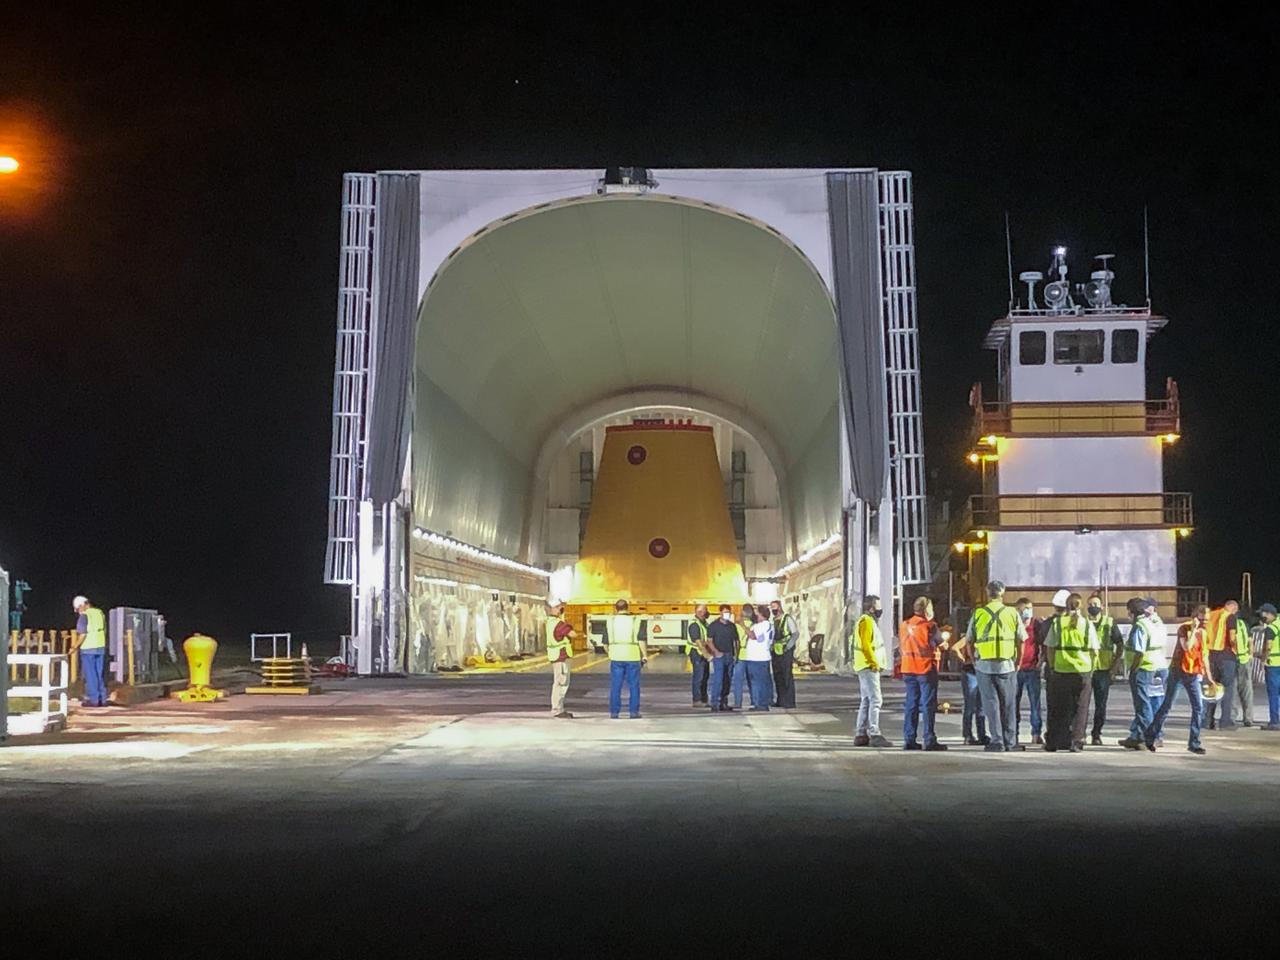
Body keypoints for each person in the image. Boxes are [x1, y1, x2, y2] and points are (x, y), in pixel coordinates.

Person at [954, 580, 1025, 752]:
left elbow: (969, 640)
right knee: (1009, 705)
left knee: (991, 705)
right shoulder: (1012, 613)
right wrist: (1018, 661)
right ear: (1003, 593)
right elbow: (1021, 640)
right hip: (1007, 665)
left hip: (984, 666)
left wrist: (974, 660)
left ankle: (997, 741)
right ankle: (1010, 742)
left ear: (987, 593)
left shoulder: (979, 614)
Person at [1148, 605, 1212, 754]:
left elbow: (1204, 656)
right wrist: (1194, 630)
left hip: (1193, 673)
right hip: (1178, 670)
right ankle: (1151, 736)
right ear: (1195, 618)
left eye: (1207, 620)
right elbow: (1187, 647)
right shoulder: (1184, 629)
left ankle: (1194, 742)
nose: (1205, 623)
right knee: (1167, 705)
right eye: (1203, 620)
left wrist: (1209, 677)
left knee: (1198, 707)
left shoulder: (1204, 633)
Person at [1042, 591, 1099, 752]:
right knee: (1081, 708)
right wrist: (1092, 668)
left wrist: (1052, 666)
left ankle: (1054, 741)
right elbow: (1094, 650)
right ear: (1081, 606)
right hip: (1082, 670)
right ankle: (1077, 741)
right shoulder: (1087, 624)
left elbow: (1050, 648)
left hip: (1061, 670)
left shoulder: (1058, 623)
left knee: (1058, 707)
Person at [899, 596, 948, 751]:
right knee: (928, 705)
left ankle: (909, 739)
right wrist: (945, 643)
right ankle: (929, 739)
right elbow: (941, 644)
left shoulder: (905, 625)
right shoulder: (930, 626)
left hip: (908, 668)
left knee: (911, 704)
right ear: (927, 609)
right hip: (925, 669)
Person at [1119, 598, 1168, 749]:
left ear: (1131, 612)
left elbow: (1139, 651)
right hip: (1159, 667)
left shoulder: (1139, 626)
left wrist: (1133, 668)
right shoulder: (1154, 622)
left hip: (1145, 668)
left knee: (1143, 705)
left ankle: (1146, 738)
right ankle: (1142, 735)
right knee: (1154, 703)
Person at [850, 594, 892, 747]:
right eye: (878, 605)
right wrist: (874, 663)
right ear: (872, 608)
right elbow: (866, 645)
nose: (880, 609)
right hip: (868, 666)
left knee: (867, 700)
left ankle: (861, 734)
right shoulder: (866, 622)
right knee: (876, 699)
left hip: (865, 665)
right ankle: (874, 733)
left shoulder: (867, 621)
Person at [1087, 593, 1124, 746]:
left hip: (1103, 669)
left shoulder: (1109, 623)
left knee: (1101, 705)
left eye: (1096, 604)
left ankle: (1096, 733)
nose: (1093, 607)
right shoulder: (1083, 622)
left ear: (1102, 607)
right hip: (1086, 669)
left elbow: (1120, 645)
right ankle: (1078, 733)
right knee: (1081, 705)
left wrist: (1114, 667)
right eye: (1090, 605)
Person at [1202, 600, 1242, 730]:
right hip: (1226, 657)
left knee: (1211, 688)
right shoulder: (1230, 617)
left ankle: (1207, 721)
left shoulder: (1211, 615)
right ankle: (1225, 722)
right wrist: (1235, 649)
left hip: (1210, 656)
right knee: (1227, 689)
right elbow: (1232, 636)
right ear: (1233, 608)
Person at [604, 599, 648, 719]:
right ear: (627, 607)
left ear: (616, 608)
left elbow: (605, 643)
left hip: (616, 657)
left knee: (615, 686)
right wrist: (644, 655)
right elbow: (641, 640)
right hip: (633, 656)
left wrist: (611, 653)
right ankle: (634, 712)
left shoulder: (611, 621)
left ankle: (614, 712)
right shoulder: (636, 620)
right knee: (634, 686)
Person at [72, 595, 110, 708]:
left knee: (91, 675)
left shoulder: (84, 616)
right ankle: (102, 699)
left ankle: (94, 700)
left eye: (78, 609)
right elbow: (105, 629)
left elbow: (83, 634)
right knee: (99, 674)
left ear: (82, 605)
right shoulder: (100, 613)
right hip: (100, 647)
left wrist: (74, 647)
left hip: (88, 648)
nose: (78, 611)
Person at [1013, 597, 1042, 745]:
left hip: (1032, 669)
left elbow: (1043, 644)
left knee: (1035, 703)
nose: (1027, 612)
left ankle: (1036, 733)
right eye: (1024, 609)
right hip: (1016, 670)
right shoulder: (1013, 625)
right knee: (1013, 703)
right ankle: (1013, 734)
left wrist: (1041, 662)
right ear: (1017, 611)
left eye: (1029, 608)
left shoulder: (1037, 625)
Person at [545, 600, 576, 718]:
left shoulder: (550, 622)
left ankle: (558, 708)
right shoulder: (558, 624)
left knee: (558, 682)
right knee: (561, 683)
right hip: (561, 656)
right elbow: (572, 634)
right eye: (559, 608)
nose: (561, 610)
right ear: (553, 609)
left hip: (555, 656)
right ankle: (558, 709)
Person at [958, 631, 990, 746]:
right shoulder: (969, 636)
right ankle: (967, 735)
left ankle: (982, 734)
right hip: (970, 672)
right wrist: (964, 659)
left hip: (982, 671)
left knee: (981, 706)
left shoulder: (984, 636)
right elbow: (955, 648)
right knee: (970, 705)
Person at [706, 604, 739, 712]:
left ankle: (723, 702)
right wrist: (716, 652)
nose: (726, 614)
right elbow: (709, 641)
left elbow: (736, 641)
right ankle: (714, 703)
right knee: (718, 680)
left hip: (730, 655)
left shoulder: (732, 626)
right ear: (720, 613)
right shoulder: (713, 626)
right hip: (719, 657)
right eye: (725, 612)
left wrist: (736, 655)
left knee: (727, 680)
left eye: (728, 612)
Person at [742, 605, 775, 711]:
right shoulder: (763, 625)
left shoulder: (763, 625)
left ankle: (761, 703)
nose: (754, 615)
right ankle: (759, 702)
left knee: (759, 682)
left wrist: (742, 625)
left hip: (758, 658)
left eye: (756, 613)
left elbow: (753, 636)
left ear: (761, 614)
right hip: (757, 657)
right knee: (758, 681)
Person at [769, 599, 798, 708]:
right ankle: (780, 700)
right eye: (772, 608)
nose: (773, 610)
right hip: (776, 651)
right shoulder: (773, 620)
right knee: (778, 677)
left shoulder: (787, 619)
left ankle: (789, 701)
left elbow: (795, 634)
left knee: (786, 676)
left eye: (775, 607)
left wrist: (788, 646)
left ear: (780, 607)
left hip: (786, 651)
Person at [1259, 603, 1280, 731]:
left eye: (1263, 615)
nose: (1262, 618)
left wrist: (1263, 660)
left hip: (1273, 664)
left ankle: (1275, 722)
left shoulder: (1271, 628)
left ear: (1269, 614)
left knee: (1274, 694)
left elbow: (1268, 646)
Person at [1233, 606, 1256, 727]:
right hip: (1244, 660)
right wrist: (1250, 656)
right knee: (1246, 691)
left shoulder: (1228, 624)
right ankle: (1248, 718)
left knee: (1232, 691)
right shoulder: (1244, 624)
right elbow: (1250, 642)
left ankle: (1232, 718)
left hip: (1232, 660)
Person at [687, 603, 713, 707]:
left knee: (705, 677)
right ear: (696, 612)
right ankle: (697, 700)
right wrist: (707, 655)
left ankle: (703, 699)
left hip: (703, 652)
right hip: (697, 653)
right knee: (699, 677)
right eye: (700, 611)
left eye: (704, 611)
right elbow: (698, 642)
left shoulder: (704, 623)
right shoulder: (694, 625)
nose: (703, 613)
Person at [731, 604, 756, 710]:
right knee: (752, 681)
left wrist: (734, 655)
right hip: (752, 655)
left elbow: (734, 642)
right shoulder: (755, 625)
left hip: (740, 655)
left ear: (743, 613)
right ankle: (754, 701)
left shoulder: (737, 626)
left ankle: (738, 702)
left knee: (738, 681)